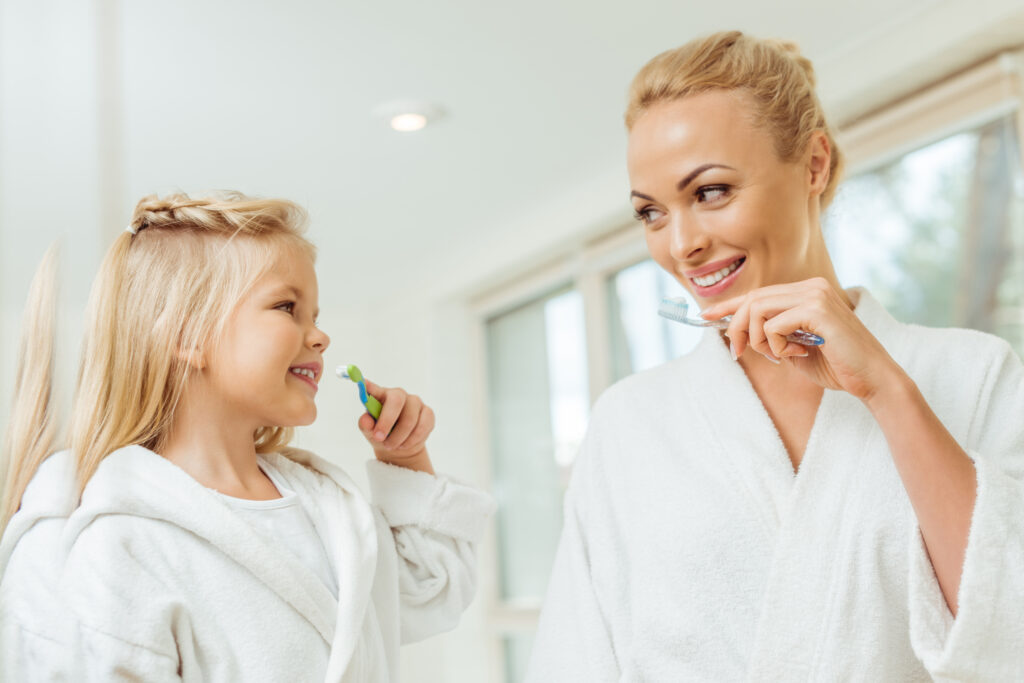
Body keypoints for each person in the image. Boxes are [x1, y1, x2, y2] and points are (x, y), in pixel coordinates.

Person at [527, 31, 1024, 681]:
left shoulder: (974, 374)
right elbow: (576, 658)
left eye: (710, 192)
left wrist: (888, 391)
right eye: (651, 213)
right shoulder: (629, 422)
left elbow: (1008, 625)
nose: (680, 244)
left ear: (813, 164)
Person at [0, 192, 495, 681]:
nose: (320, 336)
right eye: (287, 307)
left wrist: (406, 458)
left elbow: (427, 595)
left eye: (316, 316)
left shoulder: (327, 507)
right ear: (189, 337)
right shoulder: (111, 538)